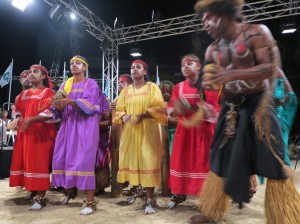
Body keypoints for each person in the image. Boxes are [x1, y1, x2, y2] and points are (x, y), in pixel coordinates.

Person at [188, 0, 300, 223]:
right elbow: (207, 81)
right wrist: (205, 84)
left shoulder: (257, 32)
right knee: (219, 158)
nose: (205, 25)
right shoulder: (213, 49)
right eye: (203, 21)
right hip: (230, 108)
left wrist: (230, 76)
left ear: (225, 13)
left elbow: (270, 67)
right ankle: (212, 211)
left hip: (259, 104)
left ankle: (284, 217)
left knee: (273, 160)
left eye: (209, 18)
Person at [113, 59, 167, 214]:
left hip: (148, 131)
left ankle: (150, 199)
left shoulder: (152, 87)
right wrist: (123, 116)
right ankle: (138, 193)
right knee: (133, 162)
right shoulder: (126, 90)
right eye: (132, 67)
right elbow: (119, 109)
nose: (134, 69)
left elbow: (158, 108)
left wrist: (142, 116)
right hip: (130, 132)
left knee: (148, 161)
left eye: (138, 67)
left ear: (145, 71)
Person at [167, 55, 220, 209]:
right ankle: (179, 194)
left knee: (204, 164)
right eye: (183, 64)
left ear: (199, 66)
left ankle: (207, 199)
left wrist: (191, 107)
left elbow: (214, 110)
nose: (185, 66)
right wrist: (176, 110)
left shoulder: (207, 84)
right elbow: (172, 110)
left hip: (203, 132)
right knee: (181, 161)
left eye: (190, 63)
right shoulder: (178, 87)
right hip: (184, 132)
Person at [51, 55, 101, 215]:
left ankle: (90, 202)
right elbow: (58, 107)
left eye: (78, 63)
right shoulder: (66, 84)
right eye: (72, 63)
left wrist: (71, 101)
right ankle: (69, 192)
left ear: (85, 67)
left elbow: (90, 105)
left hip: (85, 127)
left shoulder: (90, 83)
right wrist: (57, 104)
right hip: (68, 126)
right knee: (63, 158)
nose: (74, 65)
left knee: (84, 162)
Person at [9, 64, 56, 210]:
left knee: (38, 163)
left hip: (40, 135)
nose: (31, 74)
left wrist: (31, 120)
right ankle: (32, 190)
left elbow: (51, 112)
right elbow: (17, 111)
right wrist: (17, 121)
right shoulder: (23, 94)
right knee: (26, 163)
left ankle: (40, 197)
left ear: (43, 76)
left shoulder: (48, 92)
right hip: (25, 134)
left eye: (36, 72)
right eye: (30, 72)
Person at [110, 74, 133, 198]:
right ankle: (124, 183)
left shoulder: (132, 95)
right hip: (120, 134)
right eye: (118, 82)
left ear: (129, 84)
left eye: (123, 82)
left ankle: (136, 186)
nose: (119, 84)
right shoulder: (118, 97)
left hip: (133, 132)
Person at [159, 80, 177, 196]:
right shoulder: (158, 103)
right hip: (161, 134)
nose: (166, 93)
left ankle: (174, 185)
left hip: (175, 134)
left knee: (174, 160)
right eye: (164, 91)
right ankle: (164, 185)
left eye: (168, 91)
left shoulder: (176, 103)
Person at [95, 92, 111, 195]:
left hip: (101, 136)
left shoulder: (102, 101)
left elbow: (109, 121)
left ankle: (101, 186)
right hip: (85, 136)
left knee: (101, 161)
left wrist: (93, 125)